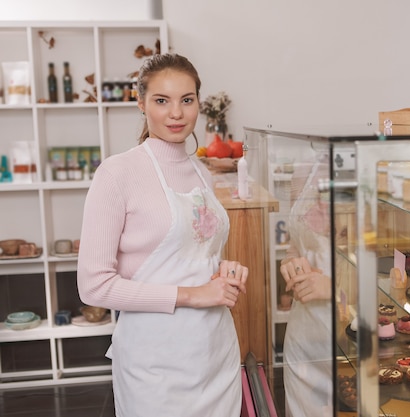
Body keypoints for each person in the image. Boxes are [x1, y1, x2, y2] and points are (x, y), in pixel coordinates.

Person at [77, 53, 247, 417]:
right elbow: (94, 286)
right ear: (141, 104)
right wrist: (193, 295)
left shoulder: (200, 170)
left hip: (215, 354)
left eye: (187, 100)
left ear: (199, 102)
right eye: (161, 101)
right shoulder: (117, 174)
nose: (176, 113)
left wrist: (223, 269)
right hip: (154, 365)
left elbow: (195, 254)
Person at [278, 155, 339, 417]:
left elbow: (386, 265)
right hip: (303, 337)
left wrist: (335, 286)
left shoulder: (370, 169)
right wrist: (289, 263)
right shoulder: (303, 169)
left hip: (348, 335)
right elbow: (295, 243)